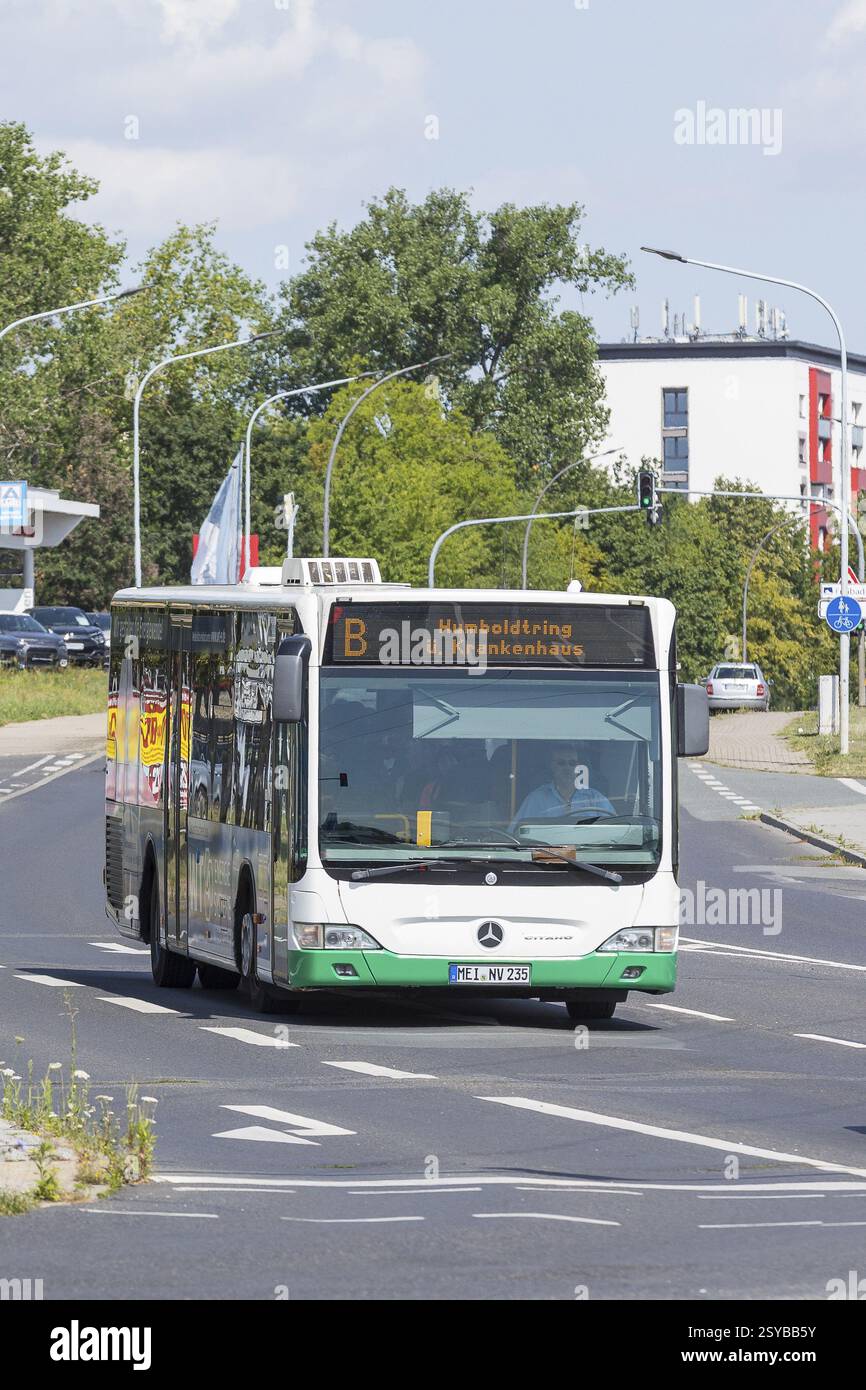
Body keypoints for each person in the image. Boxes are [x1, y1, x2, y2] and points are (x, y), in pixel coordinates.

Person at [511, 742, 615, 828]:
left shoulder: (595, 798)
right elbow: (516, 832)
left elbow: (616, 830)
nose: (567, 767)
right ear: (552, 766)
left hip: (588, 852)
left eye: (572, 763)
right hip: (548, 852)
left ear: (577, 767)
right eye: (561, 763)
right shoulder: (536, 798)